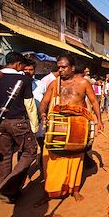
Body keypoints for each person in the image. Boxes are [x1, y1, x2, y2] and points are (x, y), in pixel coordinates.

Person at [38, 54, 103, 203]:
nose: (60, 70)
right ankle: (49, 192)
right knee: (53, 160)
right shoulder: (54, 84)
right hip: (57, 127)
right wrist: (42, 114)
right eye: (58, 67)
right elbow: (44, 102)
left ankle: (74, 190)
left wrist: (99, 120)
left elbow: (94, 101)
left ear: (72, 68)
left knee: (75, 159)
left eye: (63, 67)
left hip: (77, 127)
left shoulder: (83, 83)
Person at [0, 52, 38, 203]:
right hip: (18, 122)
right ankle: (8, 188)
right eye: (22, 65)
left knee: (4, 156)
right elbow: (30, 105)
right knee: (30, 151)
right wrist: (34, 126)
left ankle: (7, 190)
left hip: (0, 122)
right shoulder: (23, 79)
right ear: (17, 64)